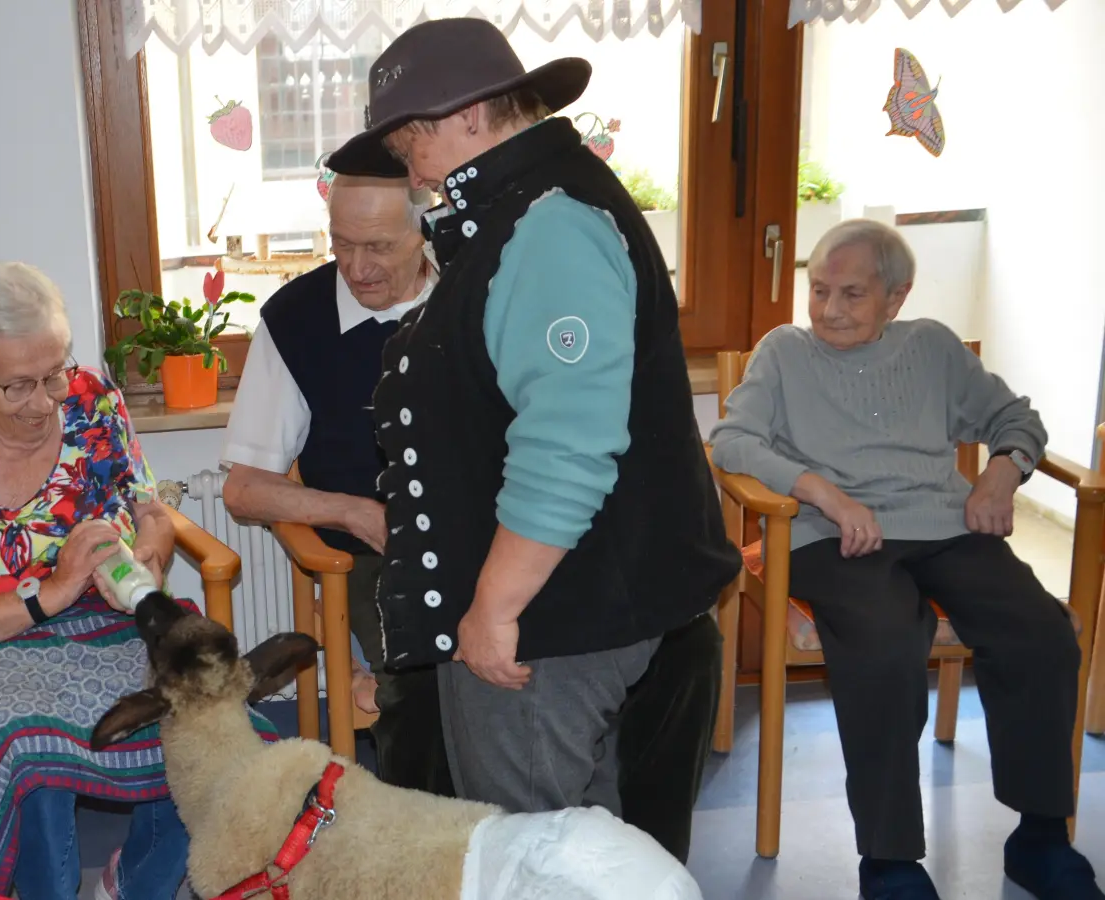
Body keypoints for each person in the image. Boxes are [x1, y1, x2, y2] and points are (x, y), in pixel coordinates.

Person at [324, 14, 739, 860]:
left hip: (554, 626)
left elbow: (567, 445)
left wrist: (495, 609)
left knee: (528, 855)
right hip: (560, 615)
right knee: (582, 858)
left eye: (410, 146)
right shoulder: (523, 210)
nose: (412, 172)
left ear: (469, 115)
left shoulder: (550, 222)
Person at [710, 220, 1099, 900]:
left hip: (942, 526)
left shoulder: (933, 348)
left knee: (1039, 632)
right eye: (819, 290)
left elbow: (1017, 418)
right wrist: (824, 494)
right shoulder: (784, 353)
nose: (829, 309)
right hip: (825, 536)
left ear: (896, 297)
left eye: (852, 294)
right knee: (886, 639)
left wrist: (1000, 474)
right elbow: (733, 441)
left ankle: (1040, 837)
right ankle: (889, 861)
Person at [0, 260, 274, 900]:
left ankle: (135, 885)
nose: (46, 402)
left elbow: (151, 509)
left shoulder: (93, 404)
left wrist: (148, 553)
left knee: (209, 715)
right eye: (19, 385)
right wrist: (51, 593)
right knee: (29, 753)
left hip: (109, 624)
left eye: (54, 373)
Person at [221, 174, 452, 795]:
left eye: (378, 246)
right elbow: (244, 489)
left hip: (490, 539)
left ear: (423, 229)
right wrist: (353, 512)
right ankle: (428, 829)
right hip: (381, 555)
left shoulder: (475, 291)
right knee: (428, 678)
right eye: (342, 244)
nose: (356, 267)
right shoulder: (297, 320)